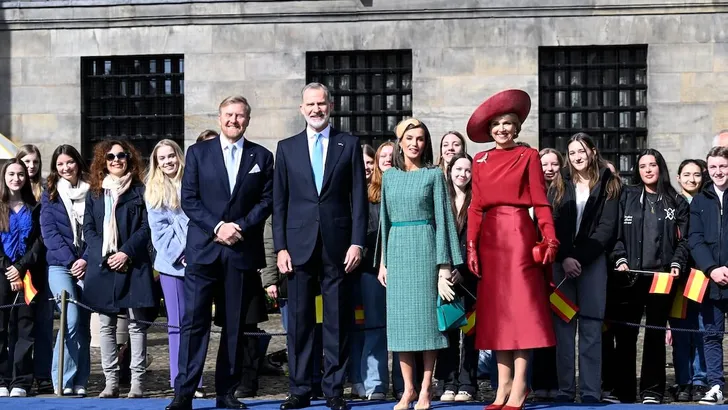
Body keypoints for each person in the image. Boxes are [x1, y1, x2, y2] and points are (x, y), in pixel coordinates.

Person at [168, 95, 274, 410]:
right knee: (194, 323)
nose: (234, 120)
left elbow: (267, 201)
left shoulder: (262, 156)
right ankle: (183, 393)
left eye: (240, 116)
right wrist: (218, 227)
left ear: (248, 120)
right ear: (219, 118)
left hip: (240, 251)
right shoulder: (198, 154)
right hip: (204, 251)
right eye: (228, 115)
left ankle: (226, 392)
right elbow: (189, 199)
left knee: (235, 326)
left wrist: (238, 227)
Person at [273, 82, 367, 410]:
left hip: (338, 247)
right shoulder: (286, 148)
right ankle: (299, 389)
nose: (316, 109)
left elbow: (358, 199)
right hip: (297, 248)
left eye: (321, 104)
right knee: (298, 321)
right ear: (301, 109)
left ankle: (334, 390)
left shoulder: (349, 144)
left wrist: (357, 243)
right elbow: (279, 202)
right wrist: (280, 248)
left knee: (336, 321)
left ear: (331, 106)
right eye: (310, 104)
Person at [465, 89, 559, 410]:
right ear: (489, 131)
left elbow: (539, 200)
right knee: (496, 316)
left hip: (519, 235)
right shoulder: (480, 159)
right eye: (496, 125)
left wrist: (548, 237)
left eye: (508, 123)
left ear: (517, 127)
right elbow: (476, 206)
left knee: (520, 314)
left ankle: (520, 386)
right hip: (490, 239)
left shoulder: (528, 156)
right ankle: (501, 387)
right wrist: (472, 246)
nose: (502, 129)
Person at [378, 117, 461, 410]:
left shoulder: (434, 174)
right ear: (400, 142)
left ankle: (426, 388)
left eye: (421, 139)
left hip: (426, 249)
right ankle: (408, 389)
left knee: (427, 325)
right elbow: (384, 222)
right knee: (400, 326)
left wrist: (443, 266)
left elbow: (444, 220)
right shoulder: (389, 177)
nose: (415, 144)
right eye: (410, 138)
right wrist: (383, 262)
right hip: (398, 252)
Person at [609, 149, 689, 404]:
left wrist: (677, 262)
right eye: (642, 166)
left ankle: (652, 391)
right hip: (630, 276)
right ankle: (624, 390)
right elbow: (615, 234)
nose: (647, 170)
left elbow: (684, 240)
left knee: (655, 334)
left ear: (660, 168)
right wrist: (620, 258)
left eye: (652, 165)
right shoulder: (627, 196)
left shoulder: (676, 201)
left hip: (662, 277)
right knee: (626, 335)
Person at [549, 132, 621, 403]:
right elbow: (553, 221)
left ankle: (590, 391)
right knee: (564, 330)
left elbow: (607, 227)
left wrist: (581, 258)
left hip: (592, 264)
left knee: (591, 329)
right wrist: (565, 257)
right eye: (572, 153)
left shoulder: (608, 182)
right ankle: (566, 390)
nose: (577, 157)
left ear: (592, 151)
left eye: (581, 151)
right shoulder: (559, 182)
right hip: (562, 264)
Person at [83, 140, 154, 399]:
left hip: (133, 263)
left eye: (121, 155)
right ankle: (111, 381)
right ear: (103, 161)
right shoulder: (95, 193)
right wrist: (105, 252)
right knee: (106, 326)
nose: (116, 160)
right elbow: (88, 228)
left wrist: (125, 252)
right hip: (103, 265)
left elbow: (147, 228)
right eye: (110, 156)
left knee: (136, 326)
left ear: (129, 159)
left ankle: (137, 381)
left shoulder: (140, 191)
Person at [145, 140, 206, 399]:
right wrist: (182, 253)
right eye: (162, 158)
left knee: (198, 323)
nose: (168, 161)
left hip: (201, 259)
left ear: (179, 157)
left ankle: (196, 379)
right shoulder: (154, 190)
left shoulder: (195, 181)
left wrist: (196, 251)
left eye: (171, 156)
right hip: (173, 265)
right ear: (156, 163)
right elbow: (159, 232)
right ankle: (179, 380)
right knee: (177, 323)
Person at [41, 145, 91, 396]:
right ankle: (61, 378)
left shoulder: (93, 189)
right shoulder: (49, 192)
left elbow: (99, 228)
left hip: (89, 265)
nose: (65, 168)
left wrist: (86, 259)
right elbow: (49, 232)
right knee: (70, 318)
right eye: (60, 164)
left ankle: (81, 380)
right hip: (60, 265)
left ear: (78, 162)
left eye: (69, 162)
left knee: (83, 325)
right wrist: (72, 261)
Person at [0, 159, 44, 398]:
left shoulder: (34, 207)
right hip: (1, 274)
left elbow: (39, 242)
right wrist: (9, 269)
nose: (16, 178)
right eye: (11, 174)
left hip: (28, 274)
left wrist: (20, 267)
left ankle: (21, 381)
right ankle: (1, 378)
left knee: (24, 328)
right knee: (1, 329)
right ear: (4, 177)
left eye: (20, 174)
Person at [348, 144, 388, 401]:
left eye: (370, 162)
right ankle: (356, 379)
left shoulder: (380, 194)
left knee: (374, 326)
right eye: (361, 163)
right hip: (350, 270)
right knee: (354, 327)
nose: (366, 167)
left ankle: (375, 381)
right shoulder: (347, 194)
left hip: (374, 269)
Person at [688, 146, 728, 405]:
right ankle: (715, 385)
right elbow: (695, 239)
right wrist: (712, 269)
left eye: (722, 166)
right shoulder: (700, 200)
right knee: (712, 335)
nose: (718, 172)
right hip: (713, 280)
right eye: (712, 167)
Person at [437, 152, 477, 403]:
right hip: (446, 275)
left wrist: (464, 270)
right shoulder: (441, 200)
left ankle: (468, 383)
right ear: (449, 171)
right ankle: (448, 382)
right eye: (458, 169)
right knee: (449, 330)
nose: (462, 174)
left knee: (471, 332)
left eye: (467, 170)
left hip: (471, 276)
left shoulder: (477, 200)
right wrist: (444, 270)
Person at [669, 159, 708, 402]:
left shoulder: (707, 202)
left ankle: (700, 380)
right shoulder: (672, 202)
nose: (691, 179)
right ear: (678, 177)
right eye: (686, 174)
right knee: (681, 332)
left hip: (703, 274)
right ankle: (683, 379)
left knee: (703, 330)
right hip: (678, 277)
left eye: (696, 174)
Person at [17, 144, 52, 394]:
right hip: (17, 266)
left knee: (43, 321)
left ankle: (42, 373)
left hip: (43, 265)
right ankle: (21, 374)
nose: (31, 167)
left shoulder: (46, 191)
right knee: (19, 323)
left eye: (35, 162)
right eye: (26, 161)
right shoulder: (10, 191)